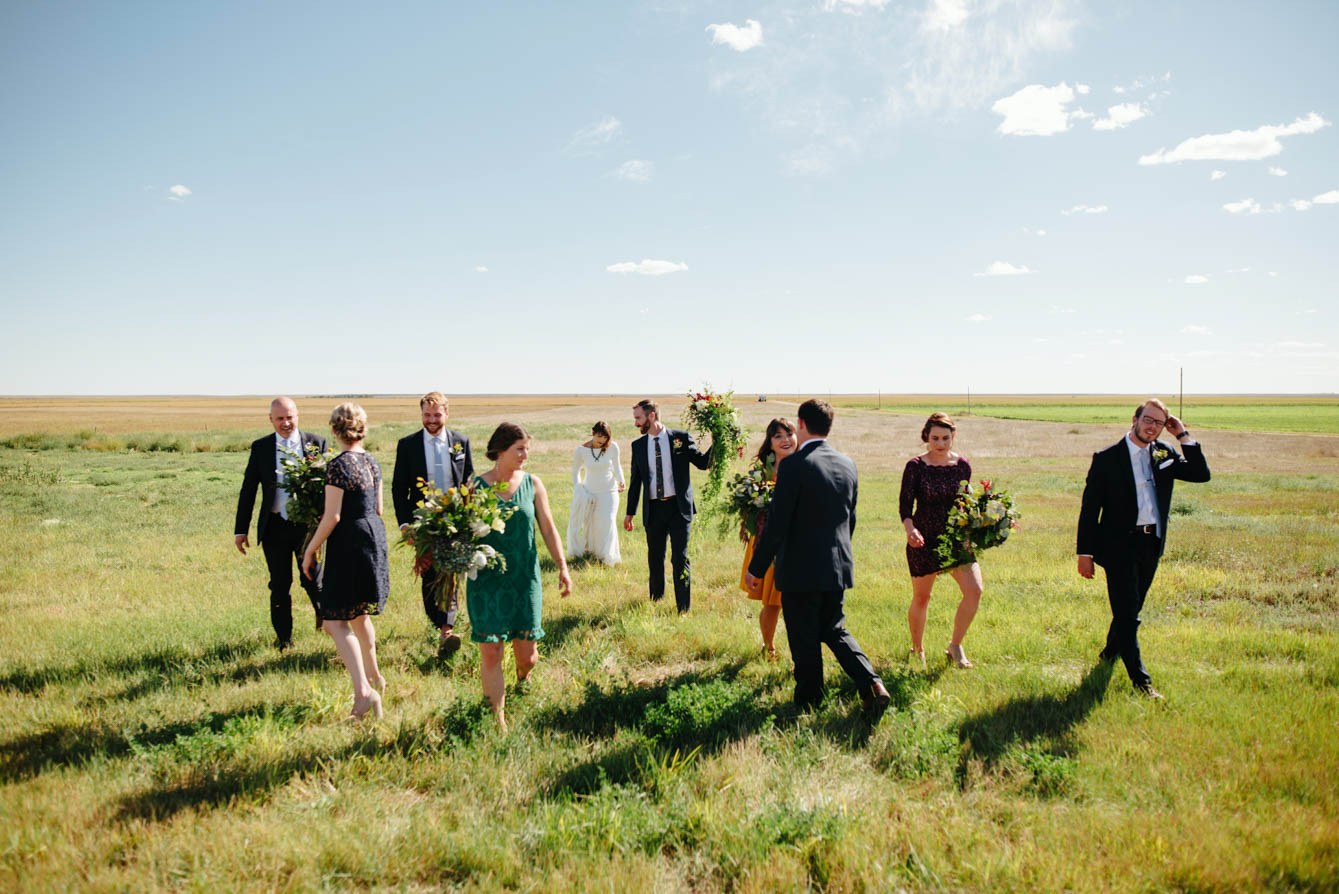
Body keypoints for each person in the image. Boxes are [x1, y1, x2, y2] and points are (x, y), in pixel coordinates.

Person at [745, 399, 891, 717]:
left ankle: (809, 701)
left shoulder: (794, 466)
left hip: (800, 568)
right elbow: (849, 519)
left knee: (803, 635)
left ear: (801, 424)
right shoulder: (847, 464)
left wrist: (756, 567)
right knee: (834, 628)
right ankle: (872, 684)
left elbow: (777, 523)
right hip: (836, 564)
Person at [1077, 399, 1210, 699]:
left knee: (1131, 608)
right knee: (1129, 616)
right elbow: (1089, 510)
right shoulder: (1107, 458)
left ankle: (1109, 653)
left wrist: (1183, 436)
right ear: (1134, 419)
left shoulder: (1164, 452)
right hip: (1118, 546)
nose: (1152, 427)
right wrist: (1084, 554)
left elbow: (1201, 474)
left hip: (1151, 543)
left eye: (1159, 423)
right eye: (1148, 420)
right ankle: (1142, 683)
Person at [469, 423, 572, 731]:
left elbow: (549, 529)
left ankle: (523, 680)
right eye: (520, 449)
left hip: (524, 578)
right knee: (492, 652)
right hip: (486, 581)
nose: (525, 455)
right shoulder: (475, 487)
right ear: (500, 451)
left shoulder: (533, 484)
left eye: (527, 448)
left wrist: (563, 567)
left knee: (527, 655)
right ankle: (498, 721)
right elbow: (461, 534)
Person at [301, 403, 388, 721]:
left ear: (334, 430)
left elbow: (333, 515)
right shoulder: (372, 461)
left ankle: (364, 694)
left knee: (334, 621)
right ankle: (376, 675)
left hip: (349, 542)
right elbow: (378, 508)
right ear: (362, 429)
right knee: (360, 614)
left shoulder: (337, 466)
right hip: (373, 538)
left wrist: (311, 549)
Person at [234, 396, 327, 650]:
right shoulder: (261, 447)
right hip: (275, 527)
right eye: (280, 419)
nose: (286, 423)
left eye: (290, 417)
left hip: (309, 528)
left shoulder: (316, 444)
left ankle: (326, 620)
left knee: (313, 580)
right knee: (279, 585)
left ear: (297, 416)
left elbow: (326, 487)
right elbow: (248, 489)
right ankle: (284, 640)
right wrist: (241, 530)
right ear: (271, 420)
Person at [900, 412, 984, 669]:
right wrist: (910, 530)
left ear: (953, 437)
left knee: (975, 590)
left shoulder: (963, 466)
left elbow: (964, 503)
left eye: (946, 438)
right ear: (926, 436)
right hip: (923, 539)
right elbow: (905, 506)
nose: (940, 443)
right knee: (923, 598)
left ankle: (955, 645)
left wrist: (975, 528)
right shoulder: (915, 466)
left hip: (955, 539)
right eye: (935, 438)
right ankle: (917, 649)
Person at [393, 392, 474, 655]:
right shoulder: (408, 445)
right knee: (429, 576)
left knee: (450, 574)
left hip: (455, 520)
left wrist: (472, 517)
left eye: (437, 415)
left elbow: (469, 482)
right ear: (421, 415)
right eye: (427, 415)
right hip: (423, 521)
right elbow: (398, 489)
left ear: (446, 414)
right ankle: (439, 623)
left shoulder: (460, 442)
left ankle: (446, 631)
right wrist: (405, 524)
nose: (432, 420)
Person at [623, 399, 711, 613]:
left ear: (651, 415)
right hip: (654, 509)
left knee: (680, 557)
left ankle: (683, 608)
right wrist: (629, 513)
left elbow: (702, 463)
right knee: (655, 557)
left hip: (679, 508)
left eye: (638, 418)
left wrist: (718, 442)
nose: (636, 423)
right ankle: (656, 600)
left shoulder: (679, 438)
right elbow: (635, 482)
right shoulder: (638, 446)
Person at [738, 418, 798, 660]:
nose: (785, 440)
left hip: (798, 545)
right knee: (772, 603)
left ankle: (800, 653)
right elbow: (749, 506)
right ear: (770, 443)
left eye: (789, 434)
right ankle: (769, 646)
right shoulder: (762, 471)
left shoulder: (805, 465)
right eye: (778, 436)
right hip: (768, 544)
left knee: (798, 604)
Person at [567, 421, 625, 565]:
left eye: (605, 437)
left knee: (608, 520)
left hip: (609, 491)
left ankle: (608, 556)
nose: (602, 441)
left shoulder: (613, 447)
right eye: (599, 436)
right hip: (589, 492)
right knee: (592, 523)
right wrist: (579, 489)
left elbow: (617, 467)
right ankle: (594, 553)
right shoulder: (580, 451)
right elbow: (575, 471)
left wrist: (621, 480)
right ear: (593, 433)